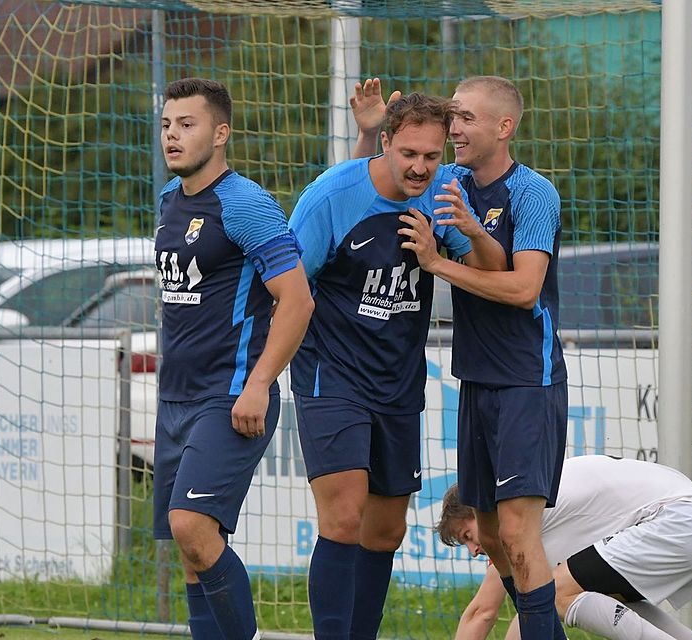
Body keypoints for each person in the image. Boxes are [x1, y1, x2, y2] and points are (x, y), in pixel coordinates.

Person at [352, 76, 568, 640]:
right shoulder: (448, 180)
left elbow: (523, 289)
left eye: (466, 118)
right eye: (453, 117)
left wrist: (440, 263)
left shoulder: (533, 192)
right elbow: (369, 187)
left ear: (505, 127)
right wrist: (372, 132)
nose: (454, 128)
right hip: (476, 380)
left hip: (527, 379)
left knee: (520, 536)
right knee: (493, 538)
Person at [288, 92, 506, 640]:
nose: (419, 167)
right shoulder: (331, 197)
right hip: (331, 376)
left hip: (398, 383)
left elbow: (494, 269)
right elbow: (287, 287)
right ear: (385, 142)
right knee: (341, 518)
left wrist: (465, 237)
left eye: (432, 156)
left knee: (385, 533)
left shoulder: (442, 195)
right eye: (408, 152)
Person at [152, 77, 314, 640]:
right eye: (168, 125)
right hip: (175, 397)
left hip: (230, 395)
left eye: (187, 124)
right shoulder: (171, 201)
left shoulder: (245, 204)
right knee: (194, 554)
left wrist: (258, 383)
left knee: (191, 526)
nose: (173, 136)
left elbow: (296, 300)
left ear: (220, 133)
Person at [437, 455, 692, 640]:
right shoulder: (532, 489)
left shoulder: (512, 513)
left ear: (477, 511)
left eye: (466, 535)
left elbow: (482, 612)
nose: (473, 550)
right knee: (603, 597)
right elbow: (527, 613)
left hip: (681, 521)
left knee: (552, 594)